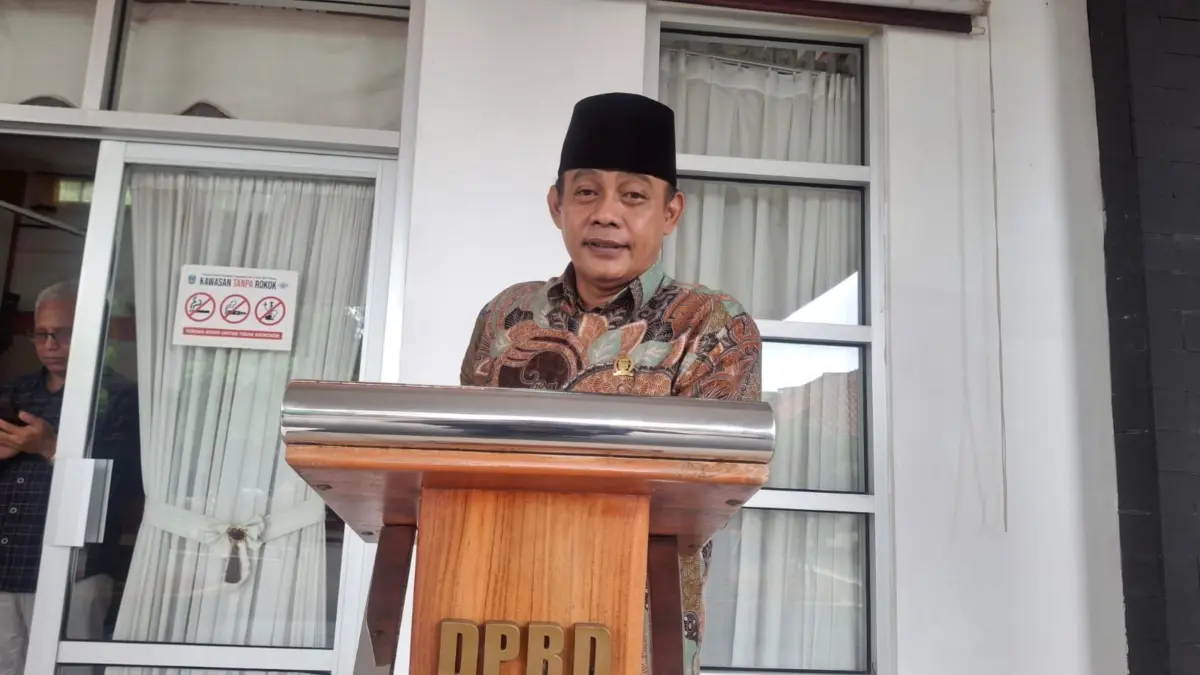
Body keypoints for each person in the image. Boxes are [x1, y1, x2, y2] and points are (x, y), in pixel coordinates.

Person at [460, 92, 762, 674]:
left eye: (633, 196)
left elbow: (710, 485)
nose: (606, 214)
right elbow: (462, 461)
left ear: (670, 212)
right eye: (586, 192)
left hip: (635, 630)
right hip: (495, 617)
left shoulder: (711, 324)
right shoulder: (505, 315)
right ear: (556, 205)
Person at [0, 281, 140, 675]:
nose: (50, 345)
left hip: (74, 570)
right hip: (6, 564)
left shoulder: (121, 397)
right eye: (41, 334)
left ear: (98, 331)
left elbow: (125, 483)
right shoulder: (14, 392)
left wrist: (51, 447)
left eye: (63, 333)